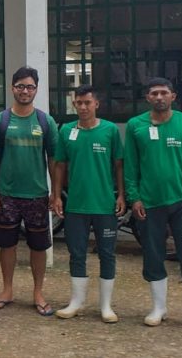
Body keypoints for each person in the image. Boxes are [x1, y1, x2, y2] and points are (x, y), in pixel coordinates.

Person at [124, 77, 182, 333]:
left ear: (173, 96)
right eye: (154, 93)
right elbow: (131, 166)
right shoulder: (135, 126)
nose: (159, 97)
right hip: (150, 204)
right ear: (147, 98)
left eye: (164, 92)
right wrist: (134, 197)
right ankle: (158, 308)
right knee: (153, 255)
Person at [0, 66, 60, 316]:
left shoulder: (45, 121)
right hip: (6, 194)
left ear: (36, 90)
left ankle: (38, 292)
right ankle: (7, 290)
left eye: (29, 87)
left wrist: (56, 193)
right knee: (7, 245)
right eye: (20, 86)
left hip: (37, 195)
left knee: (38, 246)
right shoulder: (0, 121)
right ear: (12, 88)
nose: (24, 91)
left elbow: (54, 159)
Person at [51, 85, 124, 322]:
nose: (83, 107)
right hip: (76, 205)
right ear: (74, 104)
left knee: (107, 254)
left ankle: (106, 306)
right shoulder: (67, 132)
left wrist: (121, 195)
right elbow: (59, 165)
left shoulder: (110, 131)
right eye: (79, 103)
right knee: (76, 254)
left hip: (105, 204)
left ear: (96, 104)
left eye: (87, 103)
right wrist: (56, 195)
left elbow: (119, 165)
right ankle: (76, 302)